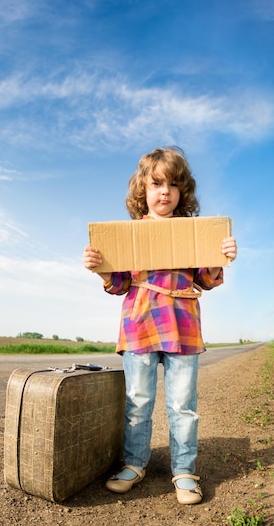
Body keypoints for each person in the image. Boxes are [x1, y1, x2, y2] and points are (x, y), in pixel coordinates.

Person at [83, 146, 237, 505]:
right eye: (156, 184)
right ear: (143, 190)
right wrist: (101, 266)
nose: (164, 191)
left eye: (172, 184)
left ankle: (184, 471)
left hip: (182, 325)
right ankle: (135, 464)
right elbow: (118, 283)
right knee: (138, 401)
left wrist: (220, 256)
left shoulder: (193, 232)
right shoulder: (128, 235)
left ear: (182, 191)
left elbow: (206, 276)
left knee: (182, 404)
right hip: (139, 325)